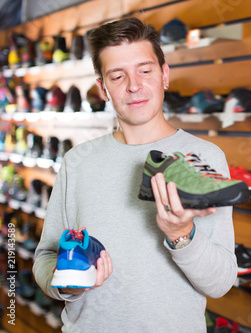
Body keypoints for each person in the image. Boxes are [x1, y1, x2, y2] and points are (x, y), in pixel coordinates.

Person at [33, 17, 238, 332]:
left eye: (145, 70)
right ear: (103, 88)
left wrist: (181, 233)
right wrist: (66, 284)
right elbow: (46, 256)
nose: (133, 85)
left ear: (164, 75)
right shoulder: (78, 161)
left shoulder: (205, 158)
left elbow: (220, 282)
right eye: (117, 75)